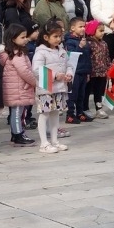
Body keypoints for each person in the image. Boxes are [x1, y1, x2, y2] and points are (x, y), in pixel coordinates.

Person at [31, 20, 73, 154]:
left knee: (56, 113)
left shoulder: (62, 51)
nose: (58, 39)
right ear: (46, 37)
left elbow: (69, 65)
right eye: (55, 36)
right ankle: (44, 143)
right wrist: (55, 76)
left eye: (59, 36)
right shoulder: (41, 52)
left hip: (60, 88)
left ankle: (55, 141)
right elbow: (36, 69)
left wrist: (69, 74)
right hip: (46, 89)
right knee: (44, 114)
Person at [0, 24, 37, 147]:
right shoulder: (18, 54)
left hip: (16, 88)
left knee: (17, 112)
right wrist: (34, 82)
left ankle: (16, 135)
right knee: (17, 113)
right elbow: (24, 71)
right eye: (22, 37)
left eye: (26, 36)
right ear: (13, 39)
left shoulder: (12, 53)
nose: (25, 39)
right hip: (18, 88)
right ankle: (18, 134)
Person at [64, 17, 92, 124]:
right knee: (73, 94)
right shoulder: (70, 41)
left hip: (83, 71)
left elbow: (87, 57)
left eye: (84, 26)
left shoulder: (83, 40)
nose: (83, 29)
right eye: (80, 26)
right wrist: (80, 46)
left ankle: (80, 113)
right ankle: (70, 114)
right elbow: (71, 55)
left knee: (82, 94)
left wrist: (88, 72)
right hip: (75, 71)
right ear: (72, 28)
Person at [85, 20, 110, 119]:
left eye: (103, 30)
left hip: (102, 72)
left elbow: (107, 57)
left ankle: (99, 108)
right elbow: (87, 58)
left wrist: (108, 68)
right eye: (100, 31)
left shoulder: (104, 43)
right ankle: (85, 108)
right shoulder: (89, 44)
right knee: (87, 91)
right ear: (92, 31)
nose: (103, 33)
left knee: (99, 91)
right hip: (92, 72)